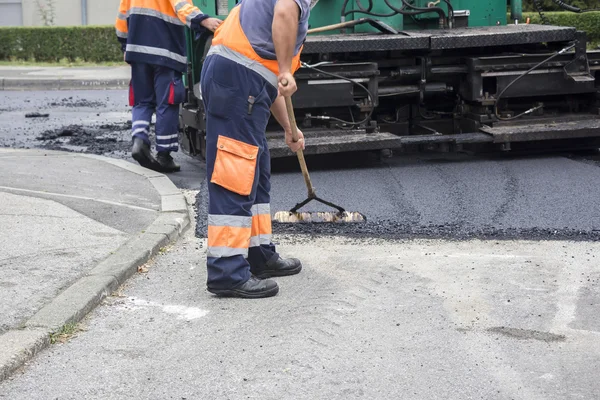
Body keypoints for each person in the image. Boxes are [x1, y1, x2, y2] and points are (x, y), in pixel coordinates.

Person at [200, 0, 311, 298]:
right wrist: (288, 69)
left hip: (242, 79)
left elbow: (269, 75)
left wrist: (290, 128)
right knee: (234, 172)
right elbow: (286, 10)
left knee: (255, 168)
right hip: (237, 81)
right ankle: (226, 270)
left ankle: (258, 254)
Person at [115, 0, 222, 173]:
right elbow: (181, 6)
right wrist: (203, 20)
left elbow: (121, 22)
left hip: (137, 53)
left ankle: (139, 140)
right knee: (168, 102)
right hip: (166, 53)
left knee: (142, 102)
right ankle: (164, 156)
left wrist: (125, 47)